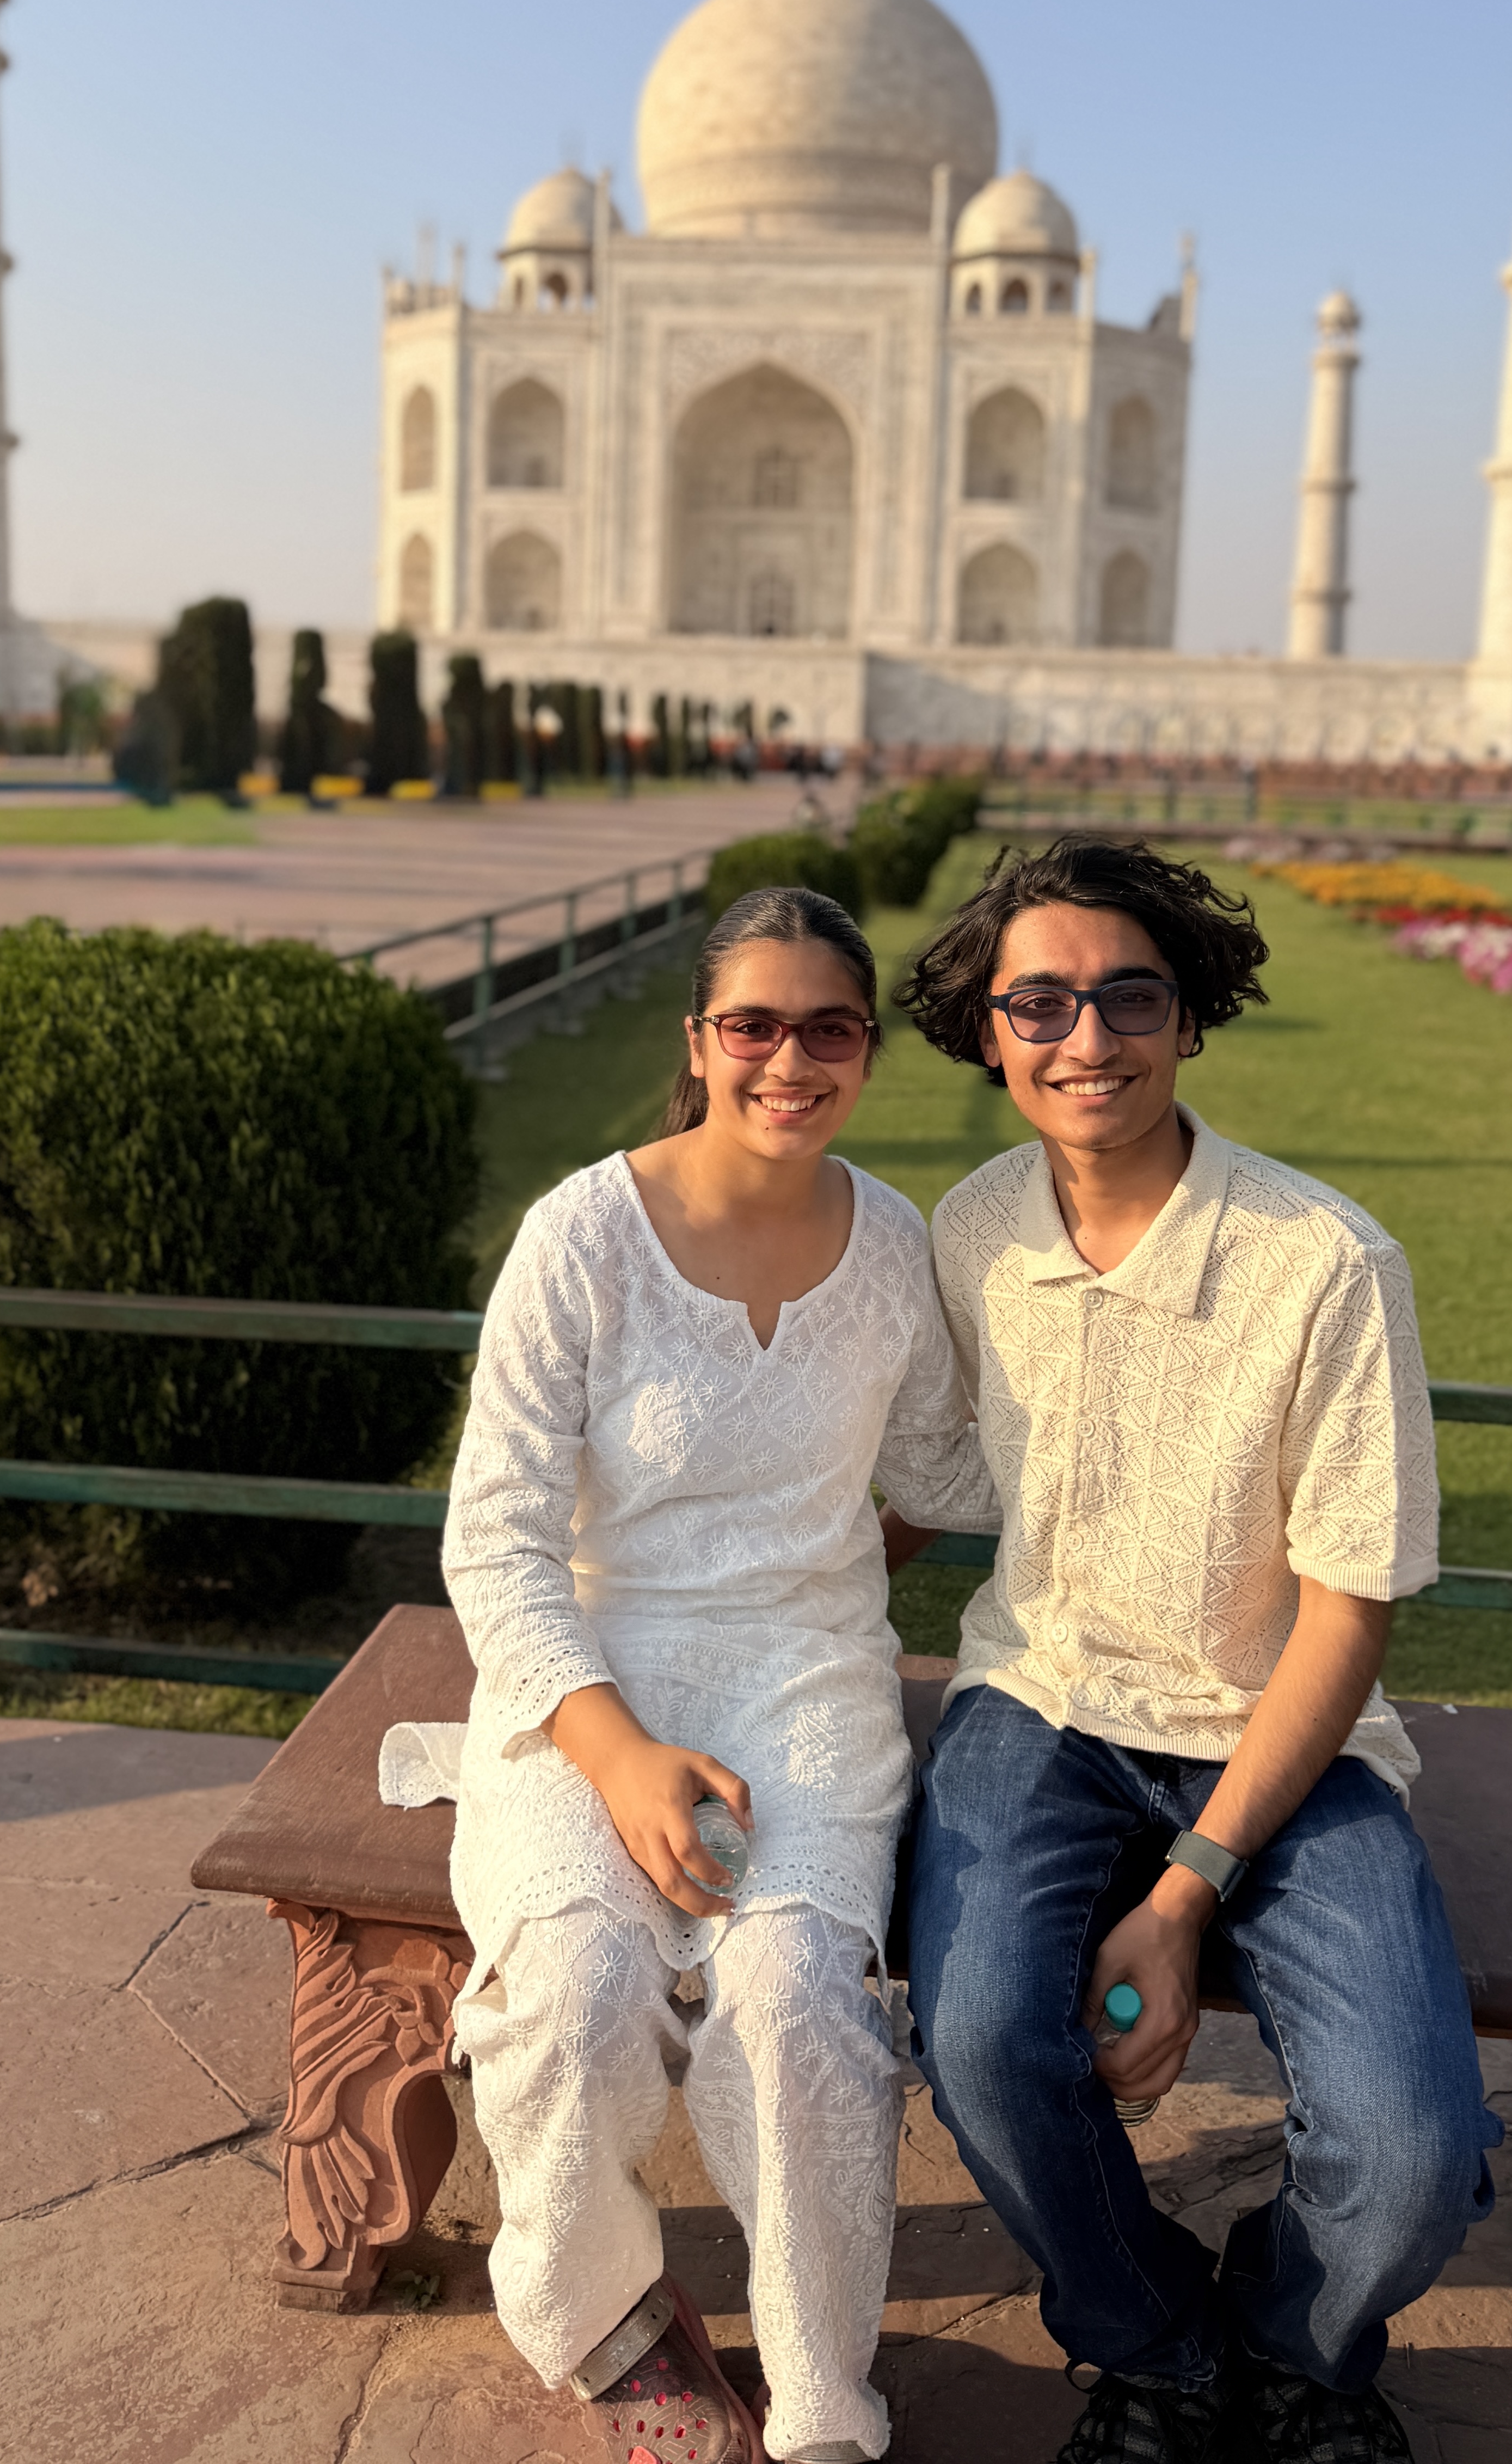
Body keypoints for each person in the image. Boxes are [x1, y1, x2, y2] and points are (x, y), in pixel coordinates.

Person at [889, 838, 1501, 2464]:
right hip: (1042, 1699)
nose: (1087, 1038)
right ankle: (1155, 2347)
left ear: (1190, 1015)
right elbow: (929, 1483)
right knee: (980, 2042)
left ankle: (1299, 2343)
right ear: (990, 1030)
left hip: (1277, 1724)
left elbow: (1348, 1612)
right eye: (1041, 1003)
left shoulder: (1323, 1263)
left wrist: (1181, 1899)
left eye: (1131, 997)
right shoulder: (977, 1227)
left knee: (1414, 2150)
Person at [442, 885, 998, 2464]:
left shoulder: (889, 1248)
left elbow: (947, 1469)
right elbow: (494, 1537)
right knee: (579, 1989)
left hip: (805, 1681)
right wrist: (616, 1754)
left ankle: (821, 2386)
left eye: (829, 1030)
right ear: (699, 1040)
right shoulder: (585, 1239)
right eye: (754, 1025)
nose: (790, 1061)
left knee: (796, 1994)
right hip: (590, 1676)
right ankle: (606, 2322)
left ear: (866, 1052)